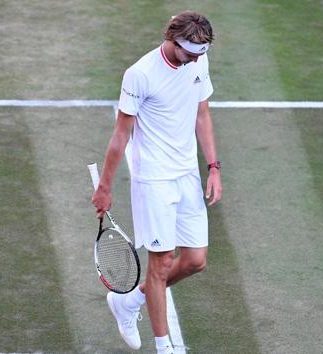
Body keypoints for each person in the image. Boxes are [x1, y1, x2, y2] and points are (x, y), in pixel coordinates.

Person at [91, 11, 221, 354]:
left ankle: (129, 301)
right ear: (174, 40)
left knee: (195, 260)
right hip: (154, 180)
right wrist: (104, 186)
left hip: (187, 176)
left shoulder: (198, 61)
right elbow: (121, 136)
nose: (196, 59)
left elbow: (202, 114)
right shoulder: (140, 74)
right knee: (160, 265)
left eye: (201, 53)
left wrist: (214, 167)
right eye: (191, 52)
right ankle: (165, 348)